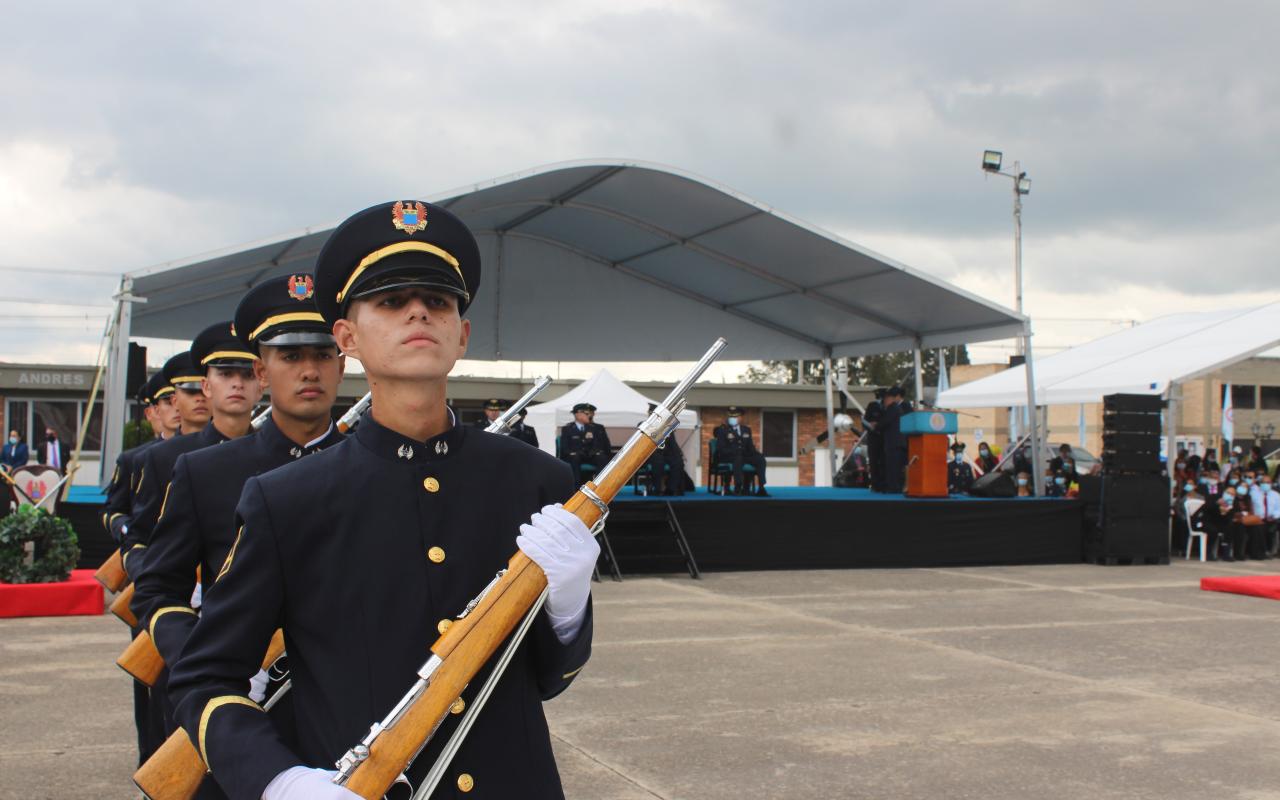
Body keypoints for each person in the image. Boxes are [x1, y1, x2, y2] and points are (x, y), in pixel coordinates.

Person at [168, 200, 597, 800]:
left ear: (461, 334)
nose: (419, 311)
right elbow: (205, 677)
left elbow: (547, 678)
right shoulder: (287, 499)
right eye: (391, 301)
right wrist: (278, 780)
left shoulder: (536, 481)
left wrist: (569, 608)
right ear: (346, 337)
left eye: (438, 302)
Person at [132, 277, 346, 778]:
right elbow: (159, 589)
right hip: (241, 711)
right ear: (262, 371)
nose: (309, 369)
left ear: (343, 363)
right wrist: (208, 659)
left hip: (345, 712)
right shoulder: (205, 473)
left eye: (323, 353)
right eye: (289, 357)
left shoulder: (378, 472)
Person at [126, 329, 263, 759]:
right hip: (198, 623)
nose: (237, 383)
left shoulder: (278, 456)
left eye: (246, 373)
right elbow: (148, 544)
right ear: (207, 385)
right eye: (225, 373)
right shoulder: (168, 459)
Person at [101, 371, 176, 768]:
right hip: (154, 585)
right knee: (150, 687)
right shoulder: (140, 458)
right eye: (169, 400)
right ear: (154, 412)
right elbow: (116, 511)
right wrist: (134, 548)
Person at [712, 405, 768, 496]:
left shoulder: (746, 430)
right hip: (728, 456)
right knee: (738, 458)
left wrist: (755, 454)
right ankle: (738, 487)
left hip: (744, 455)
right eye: (731, 416)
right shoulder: (723, 430)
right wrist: (735, 451)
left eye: (735, 417)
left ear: (740, 418)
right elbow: (721, 448)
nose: (732, 418)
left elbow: (750, 446)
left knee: (760, 459)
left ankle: (761, 487)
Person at [560, 402, 611, 479]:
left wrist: (594, 452)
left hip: (589, 455)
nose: (589, 416)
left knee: (602, 458)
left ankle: (599, 484)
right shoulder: (568, 428)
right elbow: (565, 448)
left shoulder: (593, 427)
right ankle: (575, 487)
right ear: (578, 414)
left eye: (589, 414)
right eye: (586, 414)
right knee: (574, 459)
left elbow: (600, 445)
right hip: (576, 456)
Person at [643, 402, 685, 496]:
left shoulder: (666, 426)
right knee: (658, 462)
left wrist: (678, 454)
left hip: (667, 453)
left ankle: (670, 488)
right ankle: (657, 489)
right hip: (653, 453)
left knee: (678, 462)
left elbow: (672, 444)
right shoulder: (644, 425)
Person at [880, 387, 910, 494]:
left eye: (885, 399)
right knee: (894, 466)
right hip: (897, 442)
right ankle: (894, 486)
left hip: (894, 442)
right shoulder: (896, 408)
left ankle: (893, 487)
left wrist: (876, 426)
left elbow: (885, 423)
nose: (884, 402)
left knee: (893, 466)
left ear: (890, 399)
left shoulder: (893, 408)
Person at [862, 389, 886, 492]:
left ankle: (883, 483)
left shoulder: (887, 406)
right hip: (873, 437)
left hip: (884, 437)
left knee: (883, 461)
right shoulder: (872, 406)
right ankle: (875, 484)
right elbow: (865, 420)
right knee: (873, 461)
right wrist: (871, 426)